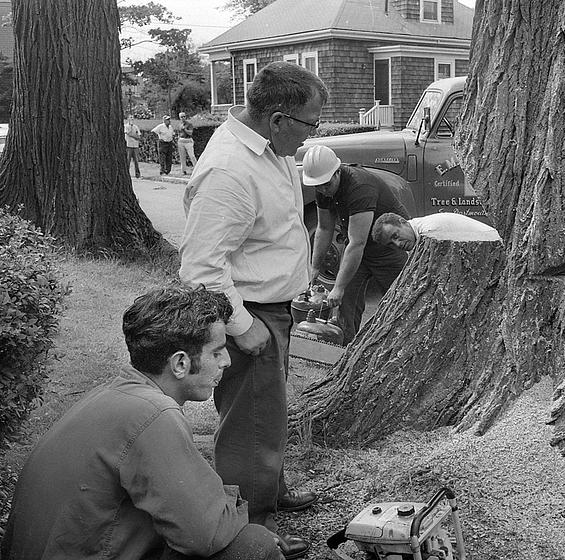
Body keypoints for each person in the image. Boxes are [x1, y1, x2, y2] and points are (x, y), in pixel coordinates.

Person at [0, 285, 284, 560]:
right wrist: (235, 517)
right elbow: (204, 535)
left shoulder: (113, 394)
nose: (227, 362)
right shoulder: (155, 414)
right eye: (217, 351)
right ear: (180, 364)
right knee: (254, 544)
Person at [180, 61, 327, 559]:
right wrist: (242, 326)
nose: (315, 134)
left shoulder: (269, 149)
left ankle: (271, 491)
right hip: (250, 312)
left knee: (266, 414)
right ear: (279, 118)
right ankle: (249, 530)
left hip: (272, 307)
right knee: (249, 425)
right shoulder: (229, 169)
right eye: (311, 123)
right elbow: (201, 268)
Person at [302, 145, 410, 344]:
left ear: (337, 172)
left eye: (326, 184)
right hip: (359, 247)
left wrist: (338, 287)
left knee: (405, 301)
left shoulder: (359, 186)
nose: (323, 190)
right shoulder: (323, 187)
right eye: (318, 186)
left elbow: (357, 242)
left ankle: (405, 346)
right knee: (345, 304)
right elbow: (324, 229)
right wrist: (314, 268)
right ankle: (345, 349)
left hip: (390, 247)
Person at [372, 211, 501, 250]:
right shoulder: (416, 235)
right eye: (391, 244)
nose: (398, 244)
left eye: (395, 236)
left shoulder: (430, 231)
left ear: (403, 222)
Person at [177, 111, 198, 176]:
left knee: (192, 156)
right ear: (179, 118)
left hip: (188, 141)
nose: (183, 118)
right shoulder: (179, 124)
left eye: (184, 116)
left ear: (186, 117)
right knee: (182, 157)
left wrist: (185, 129)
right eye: (181, 117)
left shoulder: (189, 124)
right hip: (181, 141)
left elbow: (190, 133)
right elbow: (179, 133)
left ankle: (197, 169)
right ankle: (183, 171)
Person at [124, 114, 141, 178]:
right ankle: (126, 174)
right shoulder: (126, 126)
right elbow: (128, 133)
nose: (132, 119)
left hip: (135, 146)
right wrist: (135, 136)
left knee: (136, 161)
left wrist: (135, 136)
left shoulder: (136, 127)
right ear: (128, 119)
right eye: (130, 117)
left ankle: (137, 174)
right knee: (128, 160)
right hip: (129, 145)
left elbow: (139, 136)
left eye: (132, 118)